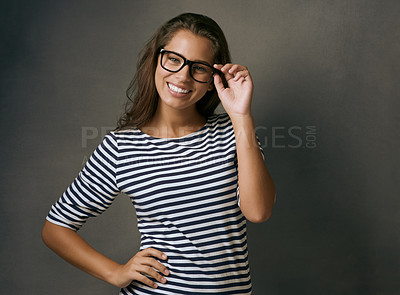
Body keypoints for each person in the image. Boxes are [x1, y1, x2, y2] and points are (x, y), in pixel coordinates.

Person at [42, 12, 275, 295]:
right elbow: (55, 229)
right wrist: (116, 273)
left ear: (213, 76)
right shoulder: (121, 147)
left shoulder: (233, 131)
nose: (182, 76)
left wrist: (241, 117)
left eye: (198, 67)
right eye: (174, 60)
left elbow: (258, 211)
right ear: (156, 59)